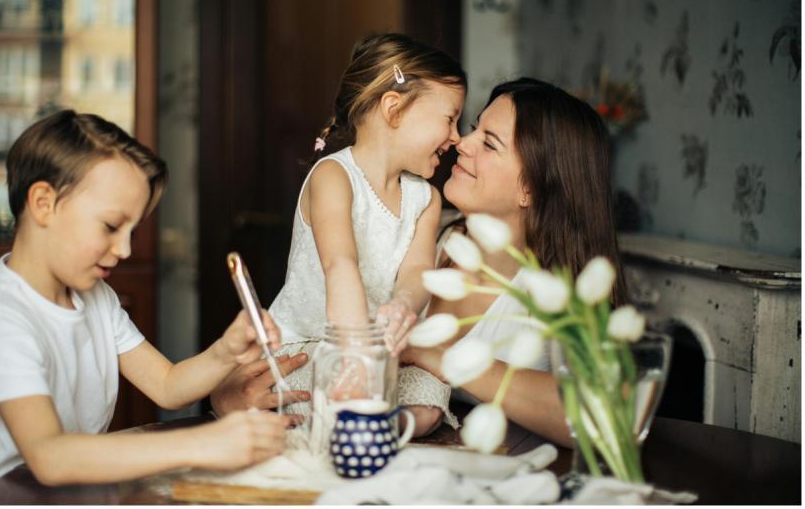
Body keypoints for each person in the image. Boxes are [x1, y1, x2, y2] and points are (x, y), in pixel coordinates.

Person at [0, 111, 289, 504]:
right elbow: (49, 457)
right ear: (44, 203)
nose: (126, 249)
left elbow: (167, 386)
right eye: (111, 226)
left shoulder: (95, 296)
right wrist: (203, 443)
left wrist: (225, 351)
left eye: (133, 231)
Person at [213, 33, 467, 436]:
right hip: (316, 344)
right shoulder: (333, 176)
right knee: (314, 391)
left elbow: (418, 271)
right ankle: (352, 420)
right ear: (394, 109)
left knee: (429, 399)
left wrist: (403, 305)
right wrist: (354, 356)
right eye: (449, 118)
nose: (456, 137)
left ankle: (373, 425)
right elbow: (340, 264)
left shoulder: (426, 199)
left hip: (383, 353)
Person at [401, 76, 628, 447]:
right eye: (475, 128)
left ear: (531, 188)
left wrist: (445, 357)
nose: (462, 141)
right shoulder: (424, 233)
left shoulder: (560, 293)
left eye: (489, 143)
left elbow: (603, 416)